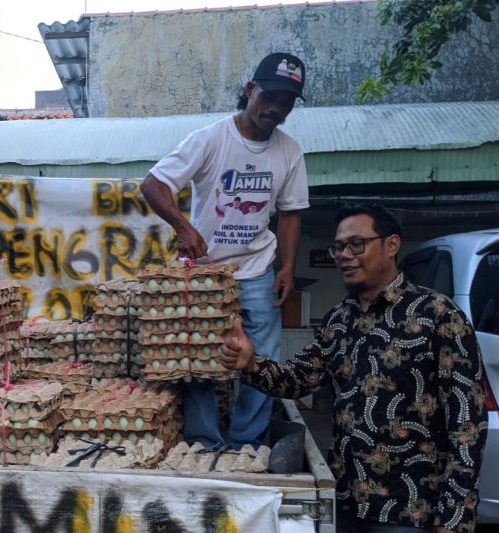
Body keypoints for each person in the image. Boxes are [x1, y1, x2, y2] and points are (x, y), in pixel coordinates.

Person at [222, 203, 487, 533]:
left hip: (411, 512)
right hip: (346, 504)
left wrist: (454, 516)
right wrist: (251, 364)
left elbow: (467, 423)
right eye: (338, 247)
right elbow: (299, 379)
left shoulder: (438, 316)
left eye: (356, 244)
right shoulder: (339, 319)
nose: (344, 255)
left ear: (391, 245)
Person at [141, 52, 309, 449]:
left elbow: (290, 214)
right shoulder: (210, 139)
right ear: (250, 90)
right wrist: (183, 227)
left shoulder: (289, 151)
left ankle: (246, 444)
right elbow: (154, 185)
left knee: (263, 359)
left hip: (258, 271)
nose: (276, 108)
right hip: (205, 273)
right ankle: (204, 443)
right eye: (270, 96)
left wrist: (287, 268)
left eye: (286, 102)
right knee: (199, 358)